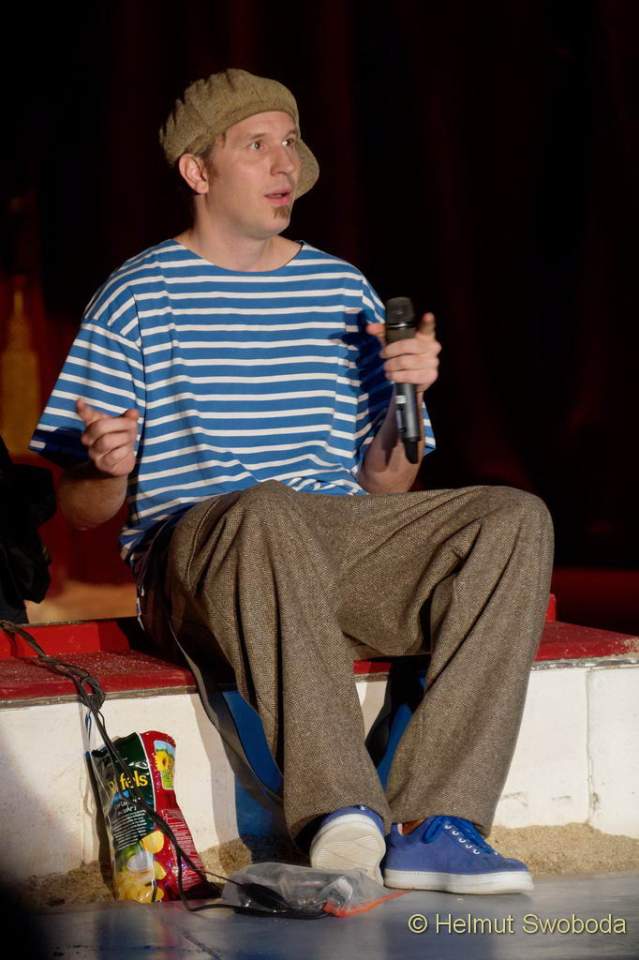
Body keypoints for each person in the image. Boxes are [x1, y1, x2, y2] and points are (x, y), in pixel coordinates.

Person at [30, 68, 554, 895]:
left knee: (512, 518)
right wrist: (105, 467)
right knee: (266, 509)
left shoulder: (340, 289)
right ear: (197, 171)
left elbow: (385, 487)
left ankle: (434, 820)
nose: (285, 164)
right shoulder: (136, 297)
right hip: (200, 560)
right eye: (256, 145)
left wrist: (407, 401)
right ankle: (339, 807)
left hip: (332, 542)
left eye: (290, 142)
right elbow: (82, 512)